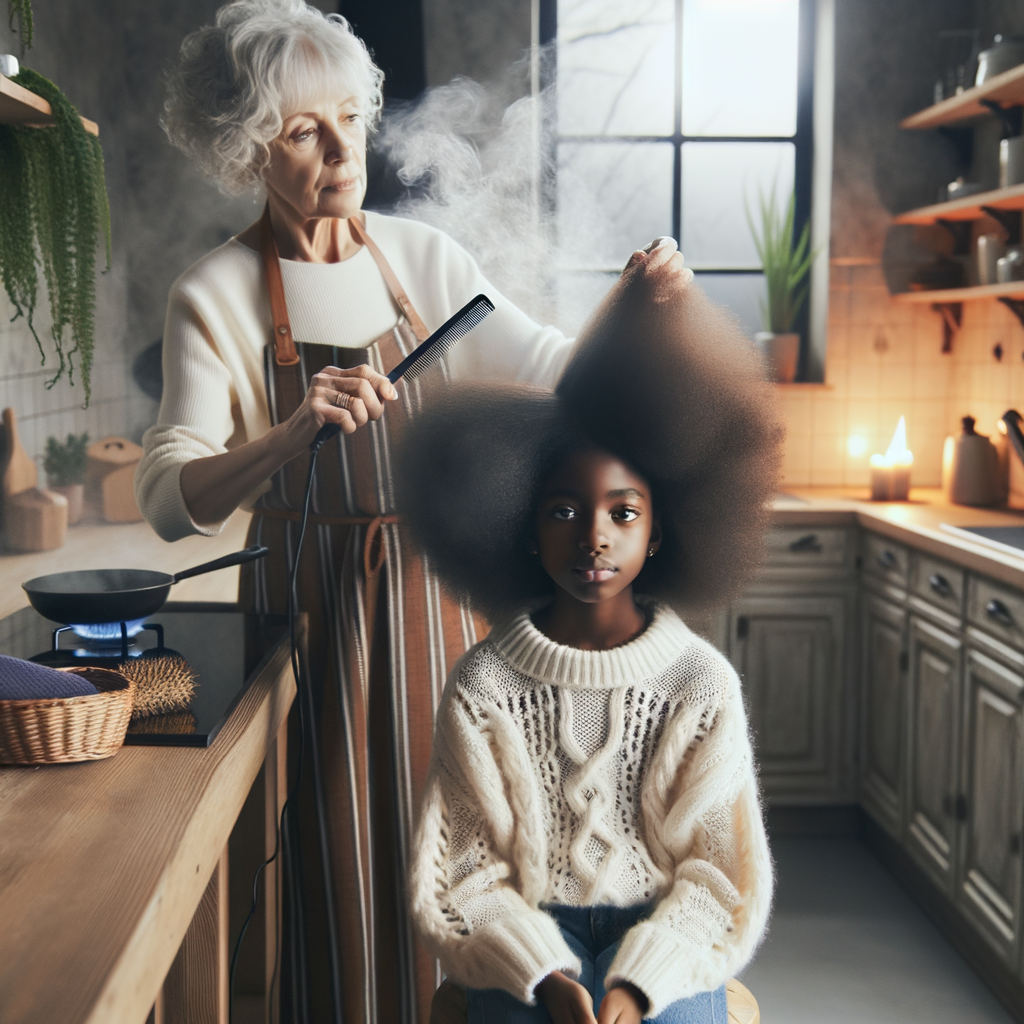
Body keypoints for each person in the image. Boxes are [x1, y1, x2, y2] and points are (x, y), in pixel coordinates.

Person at [134, 2, 663, 1021]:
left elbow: (556, 374)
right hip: (310, 621)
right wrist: (289, 437)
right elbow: (168, 497)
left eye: (347, 115)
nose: (343, 149)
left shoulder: (423, 262)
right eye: (301, 130)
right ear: (248, 150)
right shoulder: (219, 292)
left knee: (465, 865)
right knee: (335, 866)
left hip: (440, 612)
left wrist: (638, 302)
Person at [397, 244, 783, 1023]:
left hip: (666, 931)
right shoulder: (485, 687)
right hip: (526, 931)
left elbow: (717, 878)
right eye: (564, 510)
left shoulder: (700, 685)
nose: (594, 538)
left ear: (662, 532)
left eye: (623, 513)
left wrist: (639, 988)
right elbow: (464, 873)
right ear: (526, 527)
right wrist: (545, 978)